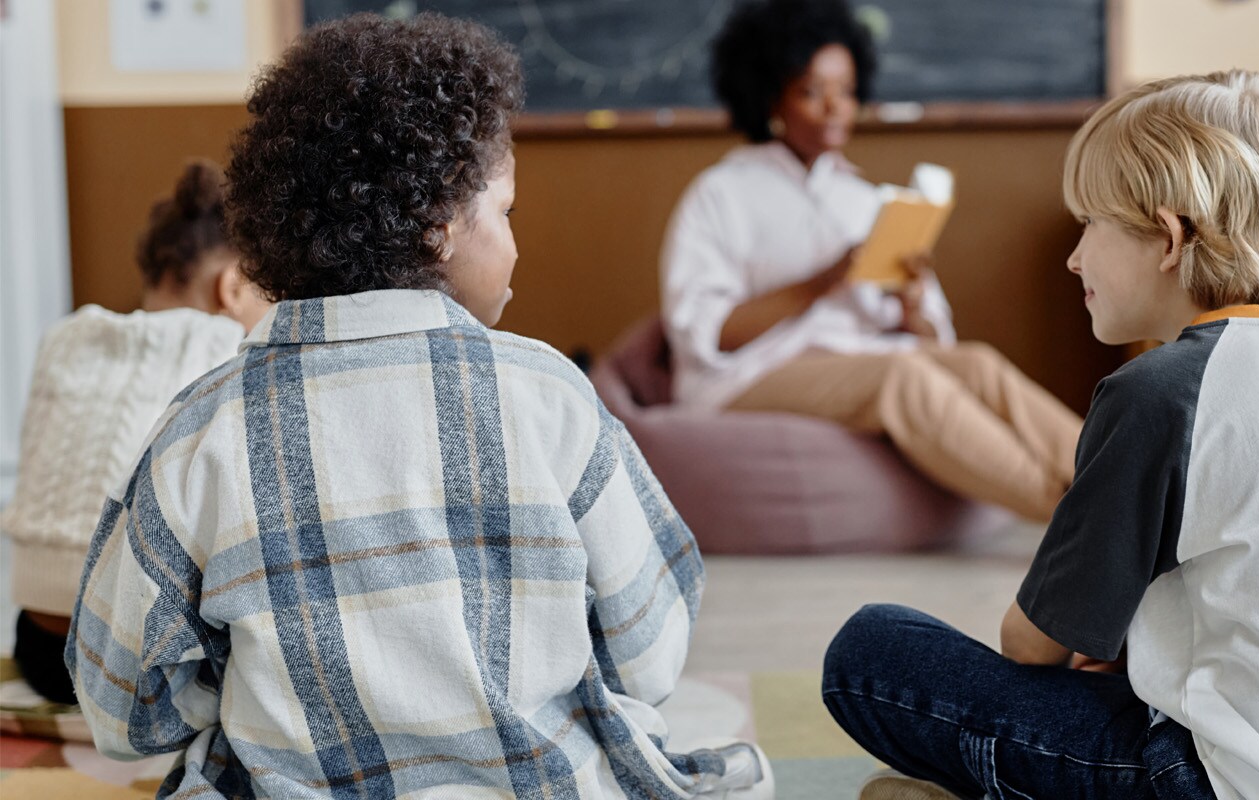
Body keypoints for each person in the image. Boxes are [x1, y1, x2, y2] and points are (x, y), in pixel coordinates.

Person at [66, 14, 769, 799]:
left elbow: (120, 707)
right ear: (438, 227)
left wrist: (243, 689)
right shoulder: (550, 396)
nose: (515, 243)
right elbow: (652, 648)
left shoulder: (198, 429)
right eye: (506, 212)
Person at [821, 70, 1259, 799]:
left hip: (1234, 782)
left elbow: (1032, 644)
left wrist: (1087, 639)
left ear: (1170, 239)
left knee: (871, 650)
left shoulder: (1160, 390)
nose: (1075, 257)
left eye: (1091, 225)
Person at [660, 0, 1083, 522]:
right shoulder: (719, 194)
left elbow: (932, 340)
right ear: (771, 96)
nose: (837, 107)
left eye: (847, 91)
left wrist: (910, 304)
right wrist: (824, 281)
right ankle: (1077, 514)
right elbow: (705, 336)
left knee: (975, 363)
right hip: (748, 376)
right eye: (814, 91)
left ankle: (1119, 475)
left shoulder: (865, 199)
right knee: (900, 378)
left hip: (862, 358)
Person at [1, 159, 268, 705]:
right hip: (122, 663)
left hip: (36, 642)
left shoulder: (68, 337)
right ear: (233, 285)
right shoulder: (221, 352)